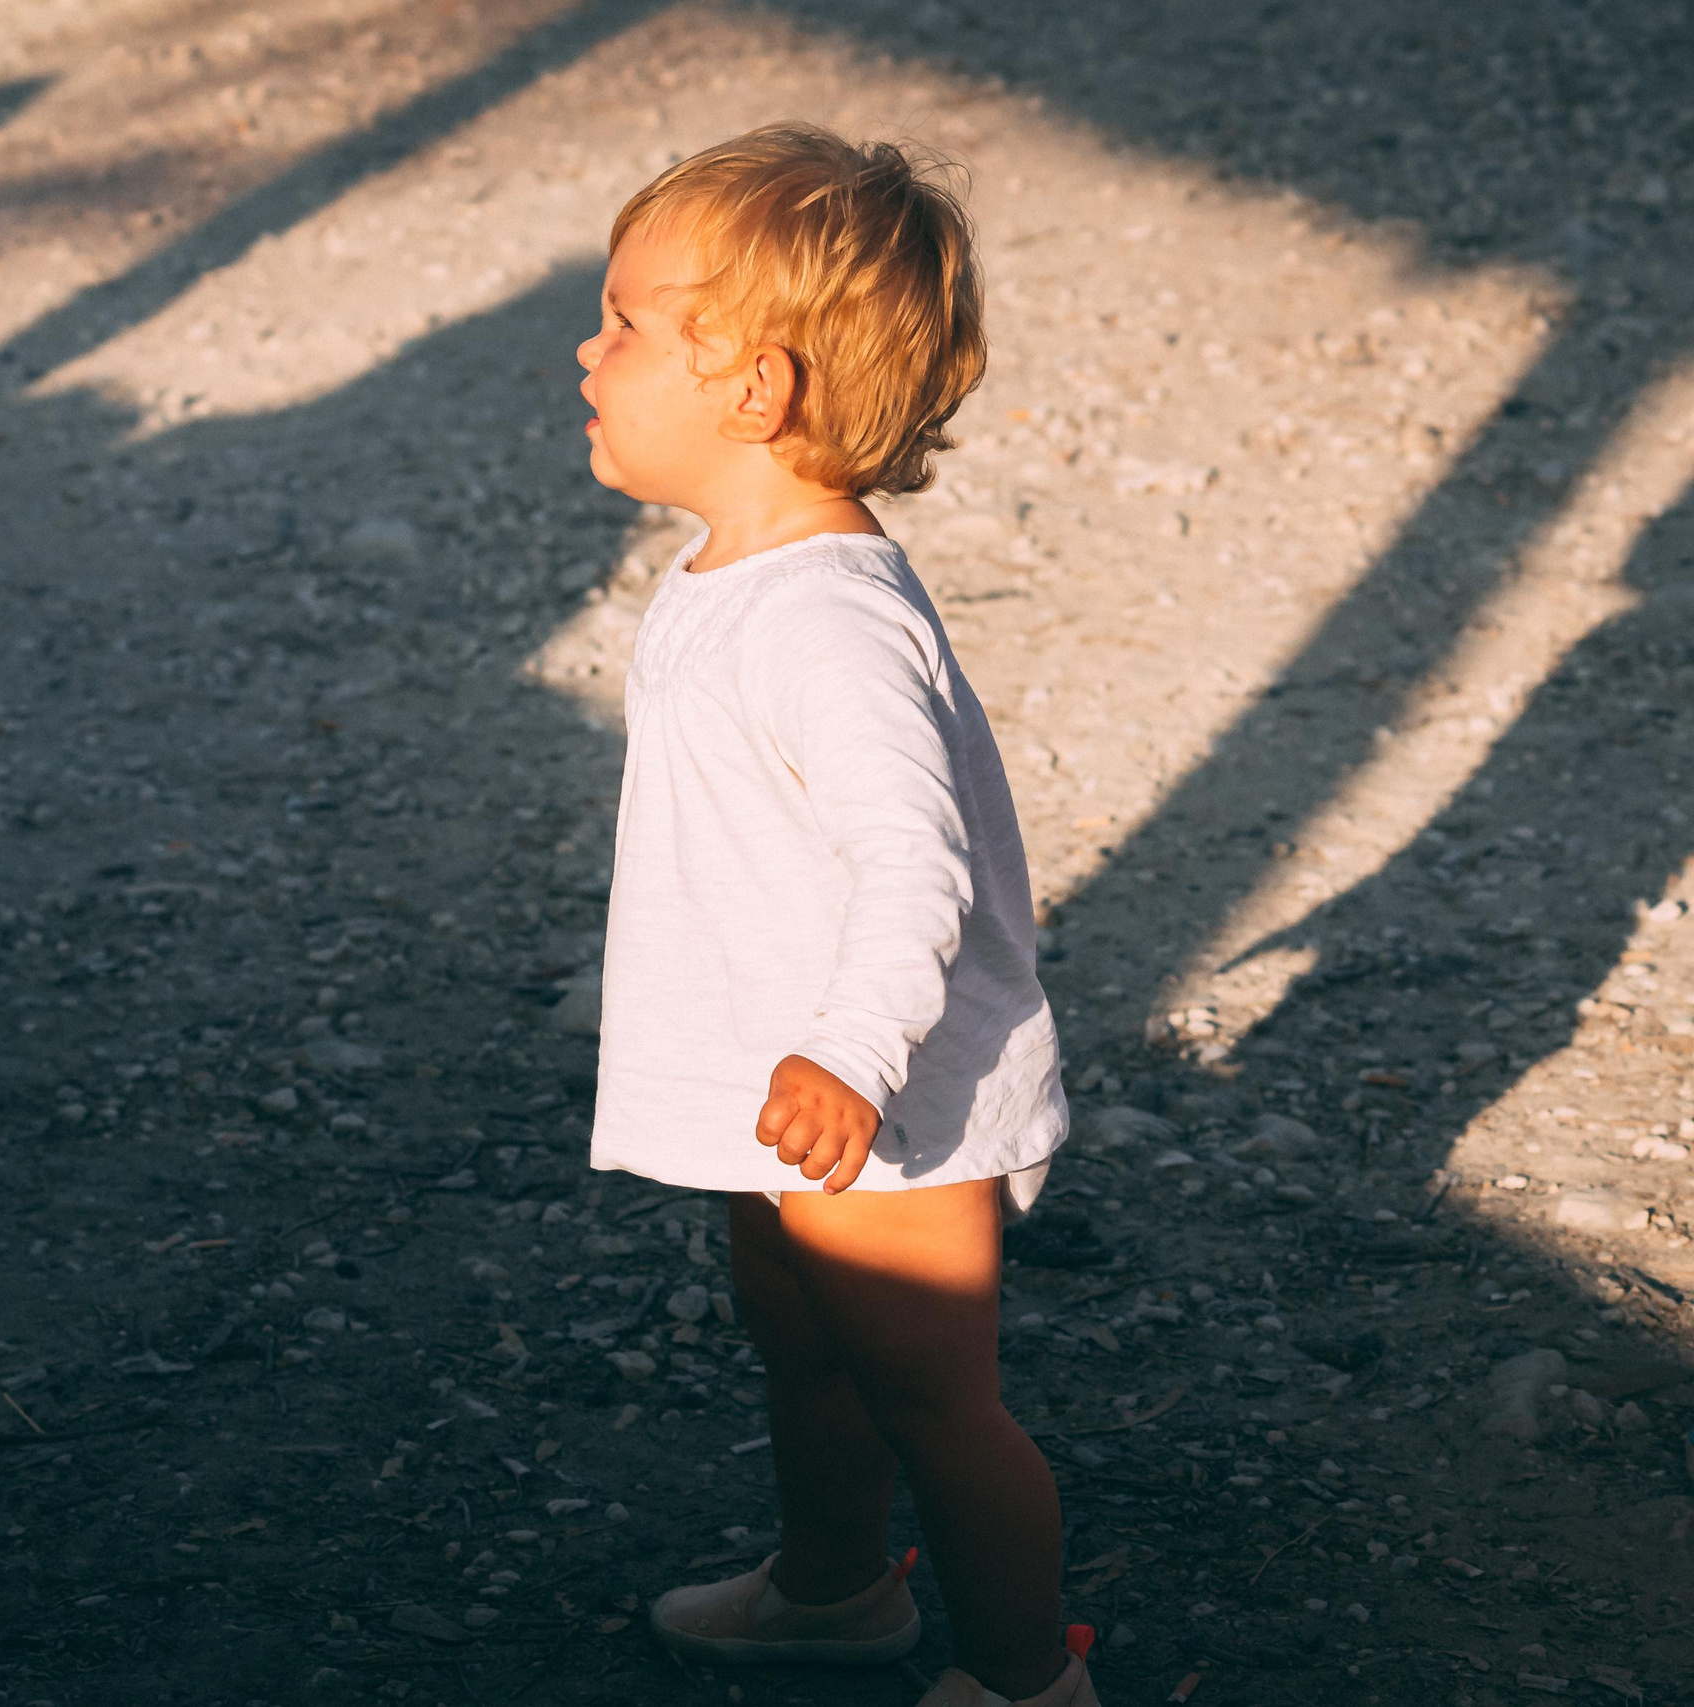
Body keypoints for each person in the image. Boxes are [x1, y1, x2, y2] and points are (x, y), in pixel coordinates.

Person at [573, 123, 1092, 1707]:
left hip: (884, 1095)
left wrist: (854, 1056)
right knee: (804, 1348)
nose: (586, 350)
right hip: (786, 1081)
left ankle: (1023, 1680)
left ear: (757, 391)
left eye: (627, 324)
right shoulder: (733, 568)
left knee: (939, 1402)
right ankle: (835, 1589)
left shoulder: (827, 622)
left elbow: (912, 864)